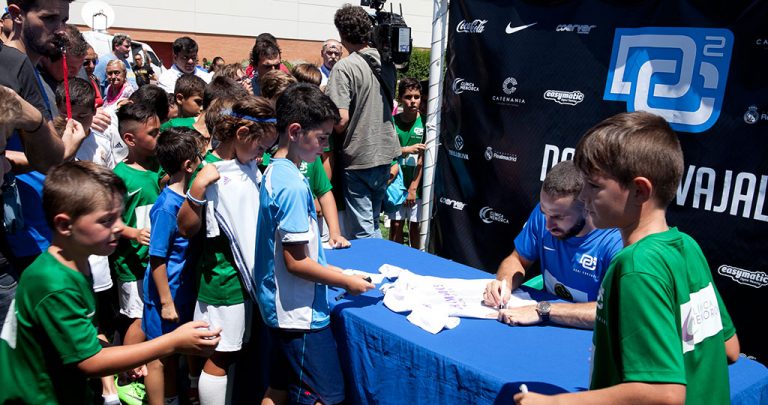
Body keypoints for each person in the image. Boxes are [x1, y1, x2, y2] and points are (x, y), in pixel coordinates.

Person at [515, 112, 741, 404]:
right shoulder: (688, 247)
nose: (582, 196)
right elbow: (729, 347)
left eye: (594, 186)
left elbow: (665, 393)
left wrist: (555, 401)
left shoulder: (634, 267)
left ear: (639, 190)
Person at [0, 161, 221, 404]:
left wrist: (123, 356)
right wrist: (172, 342)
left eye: (119, 216)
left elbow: (82, 334)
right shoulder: (54, 284)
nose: (119, 227)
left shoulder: (74, 263)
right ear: (64, 224)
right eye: (106, 220)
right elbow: (89, 361)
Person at [256, 82, 374, 405]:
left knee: (278, 388)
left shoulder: (277, 171)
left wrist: (333, 269)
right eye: (321, 138)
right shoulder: (292, 185)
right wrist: (345, 280)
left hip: (280, 308)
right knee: (326, 396)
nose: (324, 147)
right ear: (295, 132)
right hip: (300, 316)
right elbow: (296, 262)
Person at [177, 96, 278, 404]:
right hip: (224, 280)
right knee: (222, 355)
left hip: (232, 280)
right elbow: (184, 227)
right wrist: (195, 191)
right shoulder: (212, 172)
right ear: (242, 134)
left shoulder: (243, 166)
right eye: (260, 147)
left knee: (226, 352)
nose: (262, 156)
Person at [484, 160, 623, 329]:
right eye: (544, 212)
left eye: (559, 217)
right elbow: (518, 259)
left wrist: (543, 310)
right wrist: (503, 284)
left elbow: (614, 312)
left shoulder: (616, 242)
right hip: (544, 326)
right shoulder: (547, 214)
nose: (548, 225)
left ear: (588, 207)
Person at [326, 4, 401, 239]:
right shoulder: (388, 63)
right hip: (385, 153)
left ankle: (372, 272)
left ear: (342, 34)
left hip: (359, 156)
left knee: (363, 232)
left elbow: (340, 120)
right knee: (374, 224)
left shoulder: (344, 68)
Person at [142, 127, 201, 405]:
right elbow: (157, 257)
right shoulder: (168, 207)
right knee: (160, 357)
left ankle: (184, 392)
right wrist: (165, 301)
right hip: (165, 295)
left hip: (184, 290)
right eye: (200, 157)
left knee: (181, 348)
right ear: (189, 165)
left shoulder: (189, 198)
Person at [111, 102, 162, 363]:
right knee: (138, 319)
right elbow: (110, 221)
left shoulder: (160, 166)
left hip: (156, 261)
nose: (158, 137)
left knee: (152, 314)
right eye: (152, 133)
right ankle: (125, 374)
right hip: (132, 264)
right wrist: (132, 233)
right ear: (130, 139)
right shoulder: (120, 176)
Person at [388, 78, 426, 249]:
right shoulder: (392, 122)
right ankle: (393, 260)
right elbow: (385, 151)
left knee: (414, 227)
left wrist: (413, 189)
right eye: (408, 97)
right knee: (396, 226)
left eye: (416, 97)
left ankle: (416, 263)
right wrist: (405, 149)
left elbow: (423, 158)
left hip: (416, 185)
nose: (413, 101)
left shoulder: (426, 123)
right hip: (395, 183)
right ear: (400, 98)